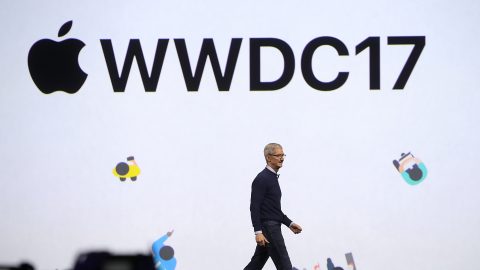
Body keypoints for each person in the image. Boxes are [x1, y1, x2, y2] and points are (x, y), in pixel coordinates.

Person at [244, 143, 302, 270]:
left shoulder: (272, 178)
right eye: (278, 155)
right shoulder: (262, 178)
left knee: (256, 264)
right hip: (270, 228)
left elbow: (274, 210)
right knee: (285, 266)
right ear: (268, 158)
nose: (282, 158)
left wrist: (289, 223)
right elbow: (254, 207)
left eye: (283, 155)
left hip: (271, 226)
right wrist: (258, 232)